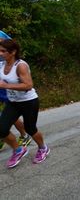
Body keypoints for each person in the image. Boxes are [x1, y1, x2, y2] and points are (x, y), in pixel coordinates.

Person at [0, 39, 50, 168]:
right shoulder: (2, 65)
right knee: (2, 129)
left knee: (30, 128)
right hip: (13, 102)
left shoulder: (20, 65)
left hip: (29, 102)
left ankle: (43, 148)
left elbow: (28, 85)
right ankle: (18, 150)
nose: (0, 53)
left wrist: (6, 85)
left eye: (3, 51)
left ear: (13, 52)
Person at [0, 31, 32, 152]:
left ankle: (24, 135)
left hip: (6, 78)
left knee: (9, 112)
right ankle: (3, 136)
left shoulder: (1, 35)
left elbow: (11, 46)